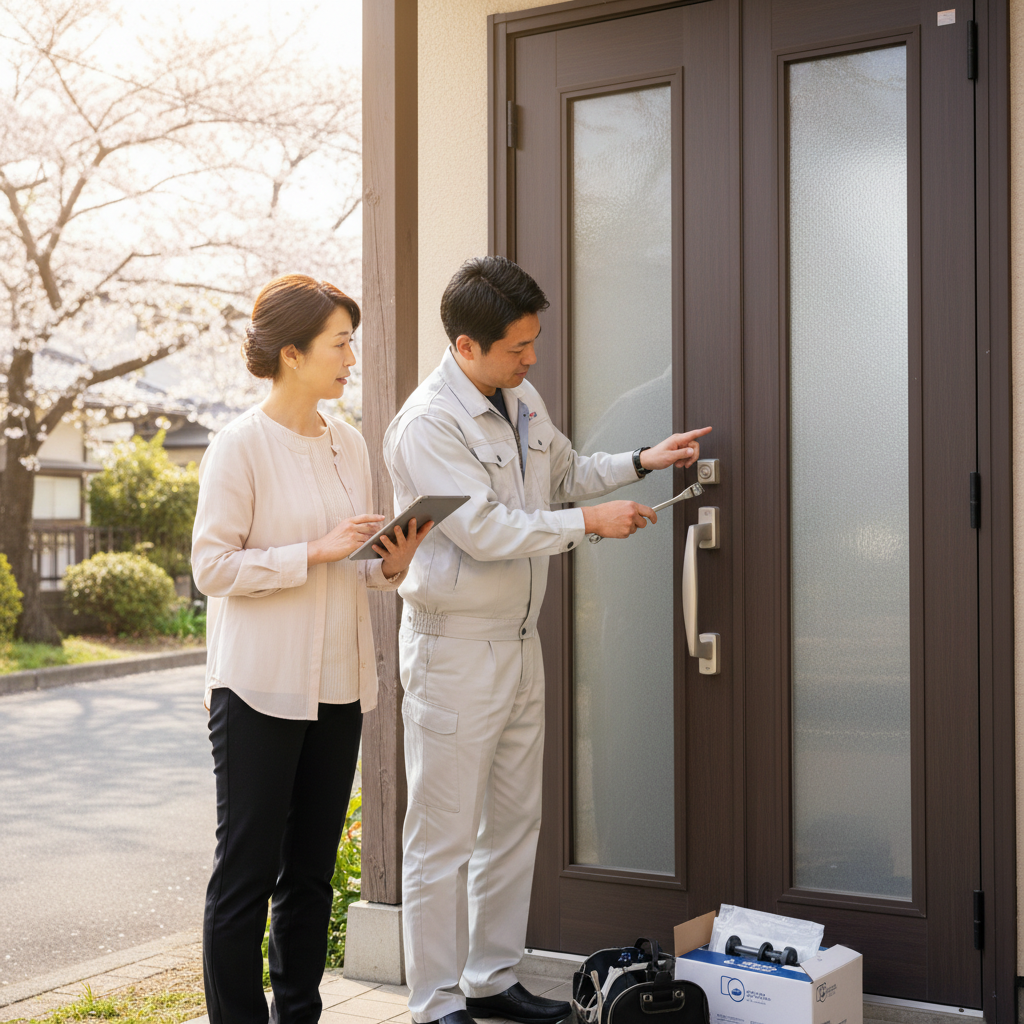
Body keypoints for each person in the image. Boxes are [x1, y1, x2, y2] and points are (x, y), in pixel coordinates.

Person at [383, 256, 711, 1024]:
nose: (532, 358)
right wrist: (589, 524)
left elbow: (564, 473)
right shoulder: (428, 425)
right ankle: (433, 1006)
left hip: (519, 642)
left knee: (514, 822)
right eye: (516, 346)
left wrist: (639, 461)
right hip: (454, 648)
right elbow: (485, 531)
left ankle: (491, 981)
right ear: (466, 347)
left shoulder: (518, 395)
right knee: (443, 839)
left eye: (534, 342)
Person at [192, 274, 431, 1024]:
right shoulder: (238, 446)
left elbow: (353, 568)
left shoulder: (349, 442)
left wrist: (391, 561)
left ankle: (299, 1013)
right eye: (340, 343)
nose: (351, 357)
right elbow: (212, 569)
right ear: (292, 354)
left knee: (313, 876)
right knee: (247, 875)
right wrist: (314, 552)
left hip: (339, 686)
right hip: (258, 690)